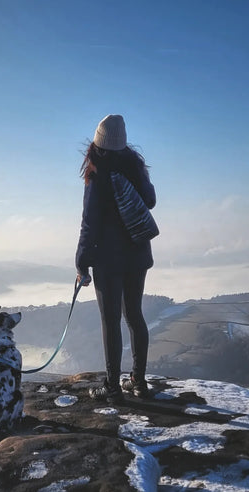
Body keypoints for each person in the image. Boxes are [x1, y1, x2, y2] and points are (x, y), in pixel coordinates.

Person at [75, 114, 156, 403]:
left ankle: (112, 387)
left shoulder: (97, 175)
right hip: (137, 254)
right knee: (134, 316)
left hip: (108, 261)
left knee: (111, 321)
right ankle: (139, 381)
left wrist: (81, 262)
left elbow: (90, 223)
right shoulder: (135, 167)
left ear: (97, 141)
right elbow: (151, 201)